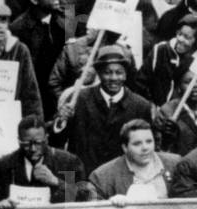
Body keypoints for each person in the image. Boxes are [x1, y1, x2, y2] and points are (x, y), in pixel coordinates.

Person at [60, 44, 154, 176]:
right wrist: (61, 120)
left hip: (122, 180)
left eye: (119, 72)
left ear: (126, 75)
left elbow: (148, 149)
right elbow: (58, 141)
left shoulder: (140, 106)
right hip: (81, 178)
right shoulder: (78, 99)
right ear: (99, 74)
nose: (114, 78)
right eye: (108, 72)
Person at [0, 115, 86, 205]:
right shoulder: (5, 166)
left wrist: (55, 181)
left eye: (38, 143)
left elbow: (84, 198)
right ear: (19, 141)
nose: (33, 149)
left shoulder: (67, 162)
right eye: (26, 144)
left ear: (46, 139)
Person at [87, 118, 179, 203]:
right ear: (125, 148)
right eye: (137, 144)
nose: (145, 148)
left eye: (149, 141)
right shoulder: (103, 176)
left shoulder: (174, 164)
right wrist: (110, 205)